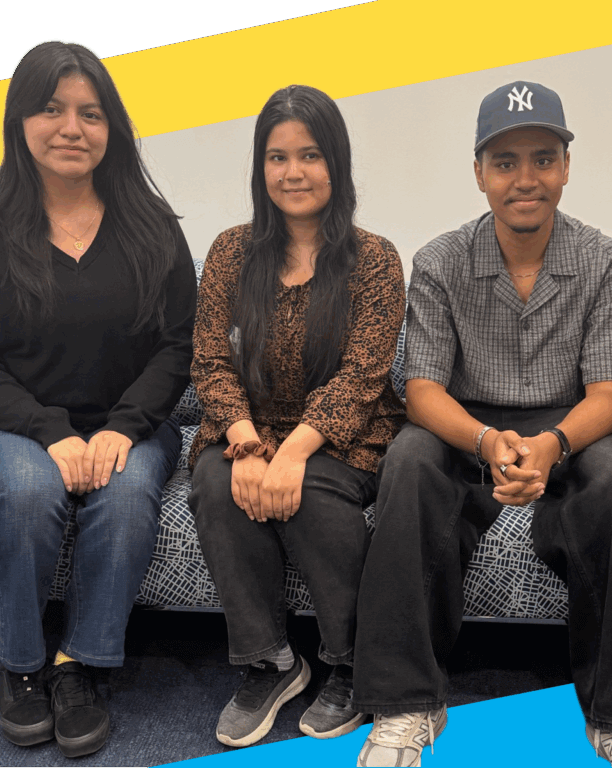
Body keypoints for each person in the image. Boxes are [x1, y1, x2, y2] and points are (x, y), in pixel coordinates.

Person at [351, 81, 612, 768]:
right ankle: (408, 702)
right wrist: (488, 441)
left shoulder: (605, 259)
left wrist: (552, 446)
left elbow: (609, 395)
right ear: (478, 173)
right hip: (466, 423)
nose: (526, 179)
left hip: (573, 423)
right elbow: (424, 389)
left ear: (565, 165)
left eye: (543, 158)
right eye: (505, 162)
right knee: (406, 463)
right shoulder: (439, 261)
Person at [0, 40, 196, 758]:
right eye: (51, 108)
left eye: (91, 113)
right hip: (14, 425)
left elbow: (177, 347)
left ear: (111, 127)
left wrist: (124, 427)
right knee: (27, 494)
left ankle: (78, 665)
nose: (71, 128)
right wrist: (49, 431)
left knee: (122, 500)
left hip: (132, 426)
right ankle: (21, 666)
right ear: (19, 121)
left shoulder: (152, 225)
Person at [188, 84, 406, 749]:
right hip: (249, 428)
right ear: (261, 168)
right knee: (217, 485)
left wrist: (292, 454)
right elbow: (208, 362)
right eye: (277, 157)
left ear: (335, 164)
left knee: (307, 493)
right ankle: (271, 663)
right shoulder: (230, 252)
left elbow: (364, 376)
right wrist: (250, 447)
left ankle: (347, 661)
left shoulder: (374, 258)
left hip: (343, 438)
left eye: (309, 155)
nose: (293, 172)